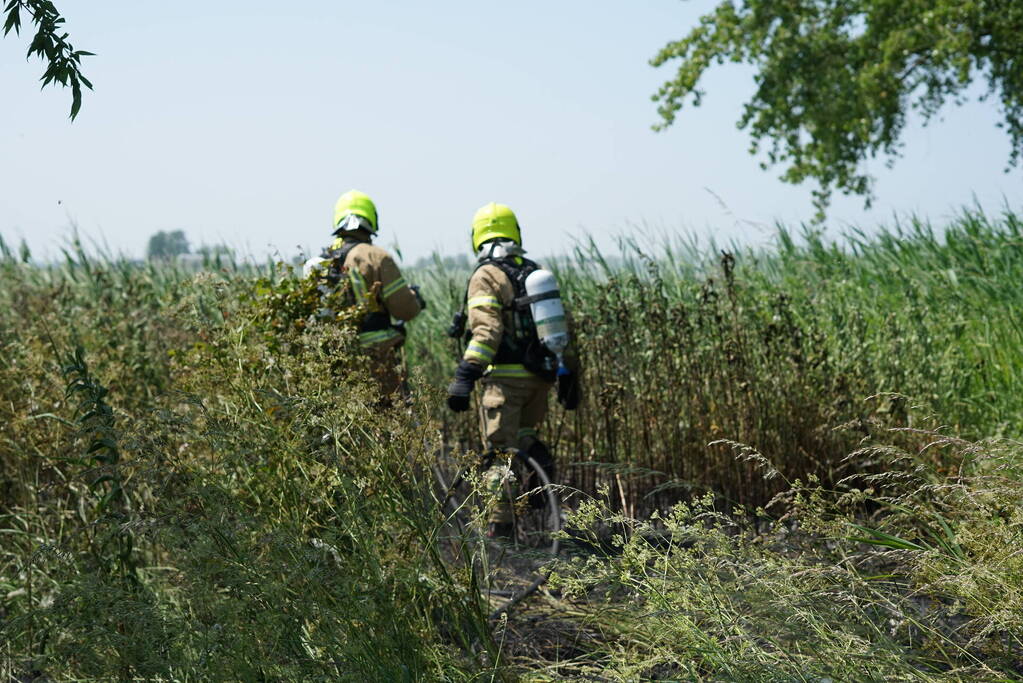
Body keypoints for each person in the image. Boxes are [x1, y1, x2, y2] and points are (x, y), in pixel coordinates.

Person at [445, 202, 580, 535]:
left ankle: (501, 532)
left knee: (499, 456)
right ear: (515, 233)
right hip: (540, 378)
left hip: (504, 381)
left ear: (477, 237)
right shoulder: (534, 272)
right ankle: (538, 461)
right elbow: (563, 329)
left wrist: (466, 374)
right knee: (523, 437)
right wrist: (569, 375)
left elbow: (487, 331)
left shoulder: (486, 275)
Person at [305, 189, 424, 400]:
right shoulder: (375, 256)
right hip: (376, 360)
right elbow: (405, 310)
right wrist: (416, 299)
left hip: (334, 361)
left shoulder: (320, 263)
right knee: (392, 414)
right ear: (371, 219)